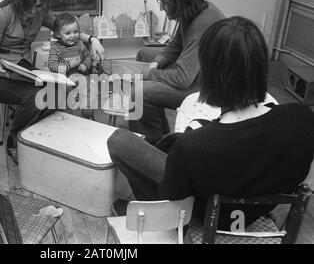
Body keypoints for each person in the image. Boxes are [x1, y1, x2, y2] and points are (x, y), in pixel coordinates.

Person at [108, 16, 314, 230]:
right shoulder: (302, 118)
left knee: (119, 139)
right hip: (253, 212)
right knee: (174, 141)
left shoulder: (196, 146)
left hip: (208, 218)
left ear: (210, 74)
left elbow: (172, 199)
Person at [0, 0, 105, 159]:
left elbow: (65, 30)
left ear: (44, 2)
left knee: (60, 90)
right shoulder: (0, 15)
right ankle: (15, 142)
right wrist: (2, 70)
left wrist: (92, 39)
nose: (32, 11)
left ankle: (35, 135)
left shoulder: (41, 12)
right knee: (35, 97)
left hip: (24, 70)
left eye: (37, 6)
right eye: (27, 6)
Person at [129, 0, 225, 144]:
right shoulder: (193, 10)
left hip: (210, 90)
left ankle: (153, 143)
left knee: (139, 92)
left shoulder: (203, 24)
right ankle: (160, 131)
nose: (160, 8)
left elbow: (182, 79)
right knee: (145, 54)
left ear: (180, 1)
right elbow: (176, 45)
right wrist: (156, 63)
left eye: (164, 3)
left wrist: (149, 74)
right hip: (196, 72)